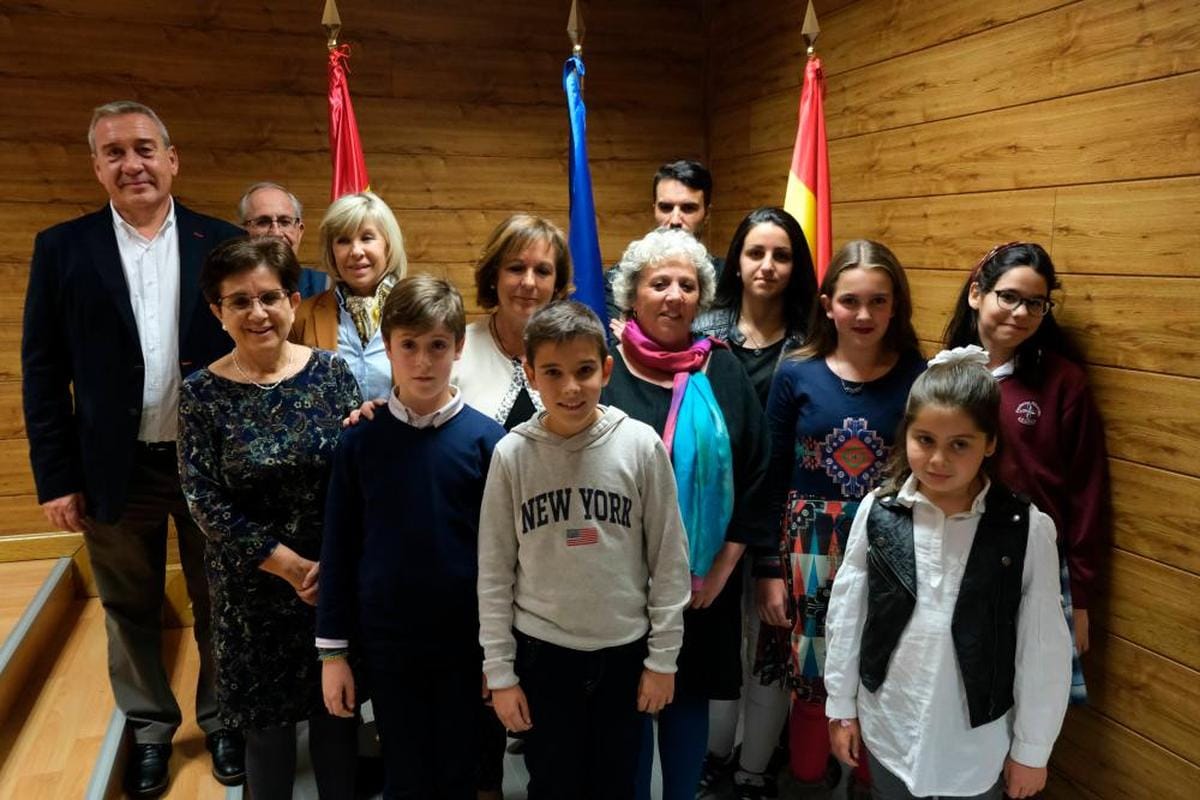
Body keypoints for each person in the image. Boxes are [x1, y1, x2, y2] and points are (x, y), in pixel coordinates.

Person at [21, 100, 244, 796]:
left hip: (211, 465)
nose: (132, 163)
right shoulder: (62, 248)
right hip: (114, 467)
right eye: (114, 152)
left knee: (222, 600)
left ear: (172, 159)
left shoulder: (223, 242)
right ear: (96, 167)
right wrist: (57, 477)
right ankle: (150, 729)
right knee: (129, 604)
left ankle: (224, 718)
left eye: (145, 148)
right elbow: (41, 369)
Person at [823, 347, 1072, 800]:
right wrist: (841, 709)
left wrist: (1032, 751)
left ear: (990, 443)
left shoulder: (1026, 529)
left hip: (975, 742)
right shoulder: (877, 512)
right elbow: (847, 618)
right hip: (889, 727)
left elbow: (1043, 651)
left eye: (960, 444)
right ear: (907, 435)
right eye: (925, 440)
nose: (938, 460)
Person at [478, 300, 692, 799]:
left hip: (623, 654)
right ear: (529, 373)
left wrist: (663, 661)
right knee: (552, 783)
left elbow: (669, 560)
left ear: (607, 369)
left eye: (584, 371)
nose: (570, 387)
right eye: (552, 372)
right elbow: (493, 574)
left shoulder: (639, 447)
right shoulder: (511, 454)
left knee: (616, 783)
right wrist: (500, 673)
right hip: (542, 657)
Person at [177, 236, 362, 799]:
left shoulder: (332, 374)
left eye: (270, 297)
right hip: (251, 595)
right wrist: (287, 566)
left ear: (293, 301)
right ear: (218, 312)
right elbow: (203, 499)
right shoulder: (200, 394)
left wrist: (333, 566)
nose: (257, 313)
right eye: (239, 301)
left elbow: (360, 476)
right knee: (268, 741)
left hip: (332, 584)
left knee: (339, 723)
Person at [317, 274, 505, 798]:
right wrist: (333, 655)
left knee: (468, 770)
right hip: (389, 644)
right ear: (388, 345)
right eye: (409, 346)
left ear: (459, 348)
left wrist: (500, 653)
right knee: (406, 770)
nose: (423, 362)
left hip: (469, 643)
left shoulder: (489, 443)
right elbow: (339, 548)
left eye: (438, 346)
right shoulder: (360, 442)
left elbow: (504, 559)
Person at [601, 229, 774, 800]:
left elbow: (758, 471)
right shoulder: (603, 370)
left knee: (686, 700)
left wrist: (723, 567)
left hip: (703, 582)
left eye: (688, 284)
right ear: (632, 294)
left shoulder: (721, 371)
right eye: (659, 283)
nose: (674, 295)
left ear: (703, 297)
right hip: (615, 581)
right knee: (625, 708)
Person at [758, 240, 925, 796]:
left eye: (878, 301)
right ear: (827, 304)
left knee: (883, 671)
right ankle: (807, 782)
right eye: (850, 301)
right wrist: (769, 569)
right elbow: (773, 471)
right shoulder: (796, 374)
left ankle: (868, 786)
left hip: (893, 544)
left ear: (895, 306)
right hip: (809, 550)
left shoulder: (918, 378)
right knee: (815, 677)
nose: (863, 315)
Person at [943, 242, 1108, 702]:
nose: (1021, 313)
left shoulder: (1062, 382)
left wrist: (1080, 598)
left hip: (1034, 564)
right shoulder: (946, 373)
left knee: (1026, 694)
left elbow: (1087, 493)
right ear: (977, 294)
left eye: (1035, 303)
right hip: (953, 550)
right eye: (1009, 296)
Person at [693, 207, 817, 797]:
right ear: (735, 261)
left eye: (782, 255)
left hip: (782, 524)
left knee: (769, 643)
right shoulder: (703, 332)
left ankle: (755, 765)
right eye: (755, 253)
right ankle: (714, 754)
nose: (767, 266)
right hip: (710, 516)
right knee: (717, 640)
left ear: (797, 267)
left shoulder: (814, 339)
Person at [455, 213, 572, 428]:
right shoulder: (456, 351)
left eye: (542, 271)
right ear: (493, 276)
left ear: (557, 284)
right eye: (516, 268)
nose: (528, 282)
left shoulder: (573, 354)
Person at [290, 190, 408, 400]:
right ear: (332, 252)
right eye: (343, 241)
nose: (356, 251)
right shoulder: (302, 317)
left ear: (388, 245)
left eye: (367, 238)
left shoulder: (416, 311)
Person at [604, 160, 720, 329]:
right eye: (666, 207)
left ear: (707, 214)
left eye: (688, 208)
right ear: (654, 210)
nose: (674, 220)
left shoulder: (726, 279)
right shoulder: (618, 277)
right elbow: (616, 344)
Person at [238, 181, 327, 297]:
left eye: (285, 222)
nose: (276, 233)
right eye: (263, 222)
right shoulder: (230, 290)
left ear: (299, 232)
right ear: (243, 233)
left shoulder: (325, 287)